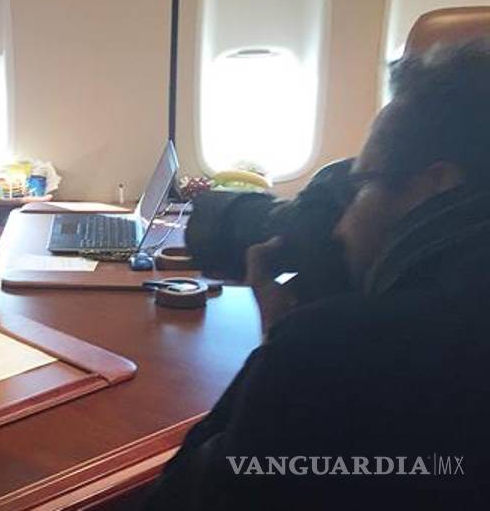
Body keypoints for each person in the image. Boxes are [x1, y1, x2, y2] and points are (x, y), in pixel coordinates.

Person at [147, 39, 490, 510]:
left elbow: (186, 497)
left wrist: (281, 345)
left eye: (362, 184)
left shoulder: (336, 347)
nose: (341, 226)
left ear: (434, 185)